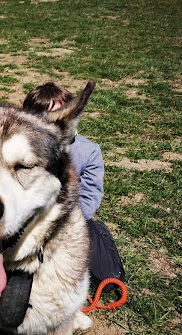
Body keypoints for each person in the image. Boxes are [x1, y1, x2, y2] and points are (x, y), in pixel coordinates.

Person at [23, 82, 125, 292]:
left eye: (59, 117)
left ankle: (98, 234)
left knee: (105, 279)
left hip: (69, 220)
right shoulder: (20, 147)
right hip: (26, 219)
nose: (51, 124)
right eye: (42, 119)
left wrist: (61, 222)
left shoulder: (89, 152)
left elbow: (90, 195)